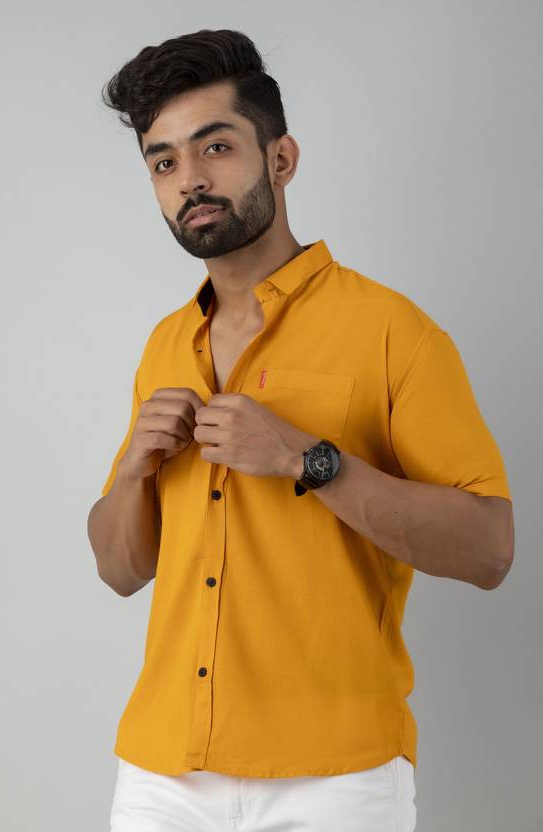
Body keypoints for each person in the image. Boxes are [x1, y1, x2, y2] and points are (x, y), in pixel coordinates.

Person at [87, 28, 514, 832]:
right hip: (162, 770)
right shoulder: (164, 346)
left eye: (215, 146)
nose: (190, 179)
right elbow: (120, 569)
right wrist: (134, 471)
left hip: (335, 776)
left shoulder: (393, 332)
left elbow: (489, 549)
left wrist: (308, 459)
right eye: (164, 162)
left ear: (280, 158)